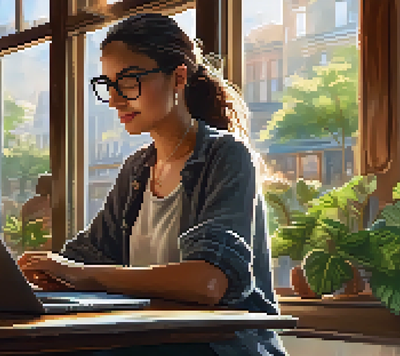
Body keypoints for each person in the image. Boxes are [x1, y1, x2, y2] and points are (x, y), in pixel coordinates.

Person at [18, 13, 287, 356]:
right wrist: (29, 273)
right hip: (151, 343)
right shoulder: (136, 170)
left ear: (178, 78)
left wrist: (83, 275)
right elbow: (83, 257)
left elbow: (207, 282)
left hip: (221, 348)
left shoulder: (226, 156)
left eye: (129, 81)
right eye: (109, 84)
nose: (115, 99)